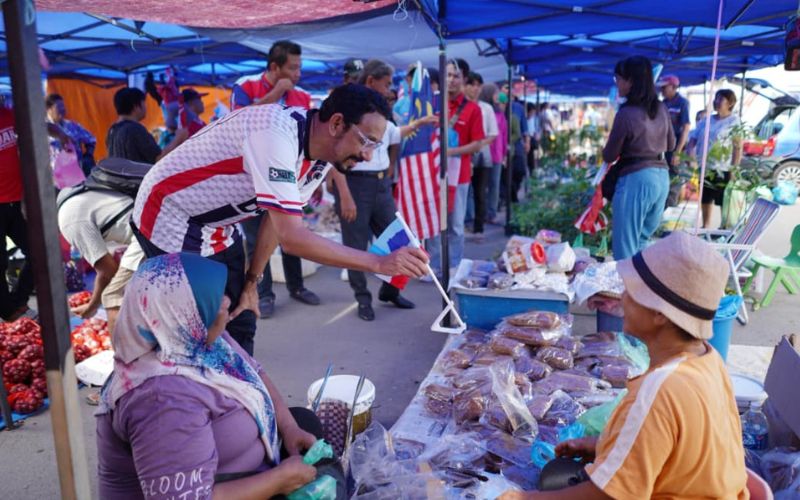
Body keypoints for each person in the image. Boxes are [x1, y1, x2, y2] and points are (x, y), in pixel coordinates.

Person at [130, 84, 429, 356]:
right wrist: (377, 262)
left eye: (375, 146)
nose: (366, 156)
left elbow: (277, 222)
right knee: (202, 328)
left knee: (242, 314)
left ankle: (243, 393)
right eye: (366, 142)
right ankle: (199, 395)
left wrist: (252, 281)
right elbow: (293, 238)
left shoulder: (322, 153)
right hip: (171, 213)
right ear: (337, 123)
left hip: (216, 223)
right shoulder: (274, 136)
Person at [500, 232, 748, 500]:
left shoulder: (659, 391)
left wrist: (522, 499)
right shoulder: (709, 361)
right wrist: (603, 445)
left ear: (659, 315)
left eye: (632, 291)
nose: (622, 298)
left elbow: (606, 496)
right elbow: (682, 448)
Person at [96, 253, 346, 499]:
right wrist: (279, 481)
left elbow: (254, 372)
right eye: (214, 298)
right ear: (182, 313)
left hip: (245, 474)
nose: (227, 300)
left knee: (304, 421)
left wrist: (290, 428)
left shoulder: (191, 338)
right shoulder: (160, 402)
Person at [330, 60, 426, 321]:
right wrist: (345, 194)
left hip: (381, 184)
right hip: (354, 183)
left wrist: (417, 126)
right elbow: (332, 153)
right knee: (356, 245)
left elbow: (393, 135)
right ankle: (362, 299)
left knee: (401, 240)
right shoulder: (349, 105)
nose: (390, 88)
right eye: (387, 83)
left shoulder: (383, 110)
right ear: (371, 81)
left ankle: (390, 290)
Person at [233, 40, 321, 319]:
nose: (298, 74)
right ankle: (265, 293)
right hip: (250, 179)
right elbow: (239, 124)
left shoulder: (303, 95)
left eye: (299, 67)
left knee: (289, 233)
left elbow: (309, 139)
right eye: (292, 68)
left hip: (288, 179)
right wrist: (275, 93)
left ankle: (297, 286)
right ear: (274, 67)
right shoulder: (245, 86)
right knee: (256, 239)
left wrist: (311, 181)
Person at [1, 95, 71, 321]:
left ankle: (16, 303)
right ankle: (10, 311)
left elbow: (39, 125)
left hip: (15, 202)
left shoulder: (8, 114)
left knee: (38, 251)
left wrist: (60, 134)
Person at [603, 56, 674, 260]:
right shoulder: (661, 108)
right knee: (642, 242)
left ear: (631, 81)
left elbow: (610, 154)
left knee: (625, 248)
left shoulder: (626, 114)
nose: (616, 83)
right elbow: (671, 145)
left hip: (637, 180)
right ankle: (640, 291)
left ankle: (626, 291)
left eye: (618, 79)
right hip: (661, 178)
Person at [57, 186, 145, 333]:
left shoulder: (68, 221)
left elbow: (108, 271)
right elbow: (110, 265)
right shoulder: (86, 197)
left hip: (148, 231)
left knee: (113, 297)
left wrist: (92, 307)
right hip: (156, 222)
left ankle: (125, 354)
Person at [426, 59, 484, 276]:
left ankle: (454, 266)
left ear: (464, 79)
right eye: (447, 75)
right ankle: (434, 266)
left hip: (459, 176)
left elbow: (477, 143)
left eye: (456, 76)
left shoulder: (472, 109)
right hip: (432, 174)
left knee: (456, 225)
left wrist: (449, 152)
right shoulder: (432, 103)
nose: (451, 80)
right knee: (432, 221)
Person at [688, 89, 742, 229]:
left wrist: (733, 169)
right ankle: (705, 225)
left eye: (721, 99)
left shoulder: (734, 121)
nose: (716, 102)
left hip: (722, 168)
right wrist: (690, 157)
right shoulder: (706, 120)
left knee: (723, 200)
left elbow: (737, 147)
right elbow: (692, 140)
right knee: (705, 198)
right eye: (716, 99)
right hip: (705, 166)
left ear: (730, 103)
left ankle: (724, 228)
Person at [463, 72, 499, 238]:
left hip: (482, 154)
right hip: (462, 153)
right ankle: (465, 223)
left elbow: (493, 133)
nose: (475, 88)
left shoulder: (487, 108)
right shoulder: (460, 106)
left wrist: (478, 144)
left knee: (479, 192)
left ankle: (478, 227)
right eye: (472, 84)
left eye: (478, 85)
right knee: (463, 192)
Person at [106, 87, 181, 165]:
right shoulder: (135, 129)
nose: (146, 106)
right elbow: (158, 159)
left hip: (118, 176)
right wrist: (179, 138)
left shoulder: (112, 129)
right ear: (136, 106)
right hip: (136, 177)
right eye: (143, 103)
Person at [657, 75, 691, 207]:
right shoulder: (662, 104)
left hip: (676, 147)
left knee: (674, 179)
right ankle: (661, 208)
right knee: (662, 177)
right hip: (663, 148)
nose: (662, 89)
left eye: (664, 87)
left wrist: (678, 152)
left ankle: (670, 208)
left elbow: (686, 128)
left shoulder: (682, 103)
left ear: (674, 87)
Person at [45, 93, 96, 175]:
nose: (63, 109)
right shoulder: (43, 130)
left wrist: (88, 155)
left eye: (63, 106)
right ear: (48, 109)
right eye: (59, 107)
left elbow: (91, 140)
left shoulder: (73, 126)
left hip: (75, 173)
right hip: (54, 177)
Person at [485, 84, 507, 224]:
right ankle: (481, 214)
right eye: (495, 94)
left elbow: (504, 136)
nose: (497, 98)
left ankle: (491, 213)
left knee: (494, 184)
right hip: (484, 154)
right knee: (482, 186)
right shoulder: (484, 111)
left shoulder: (500, 115)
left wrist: (504, 154)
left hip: (497, 154)